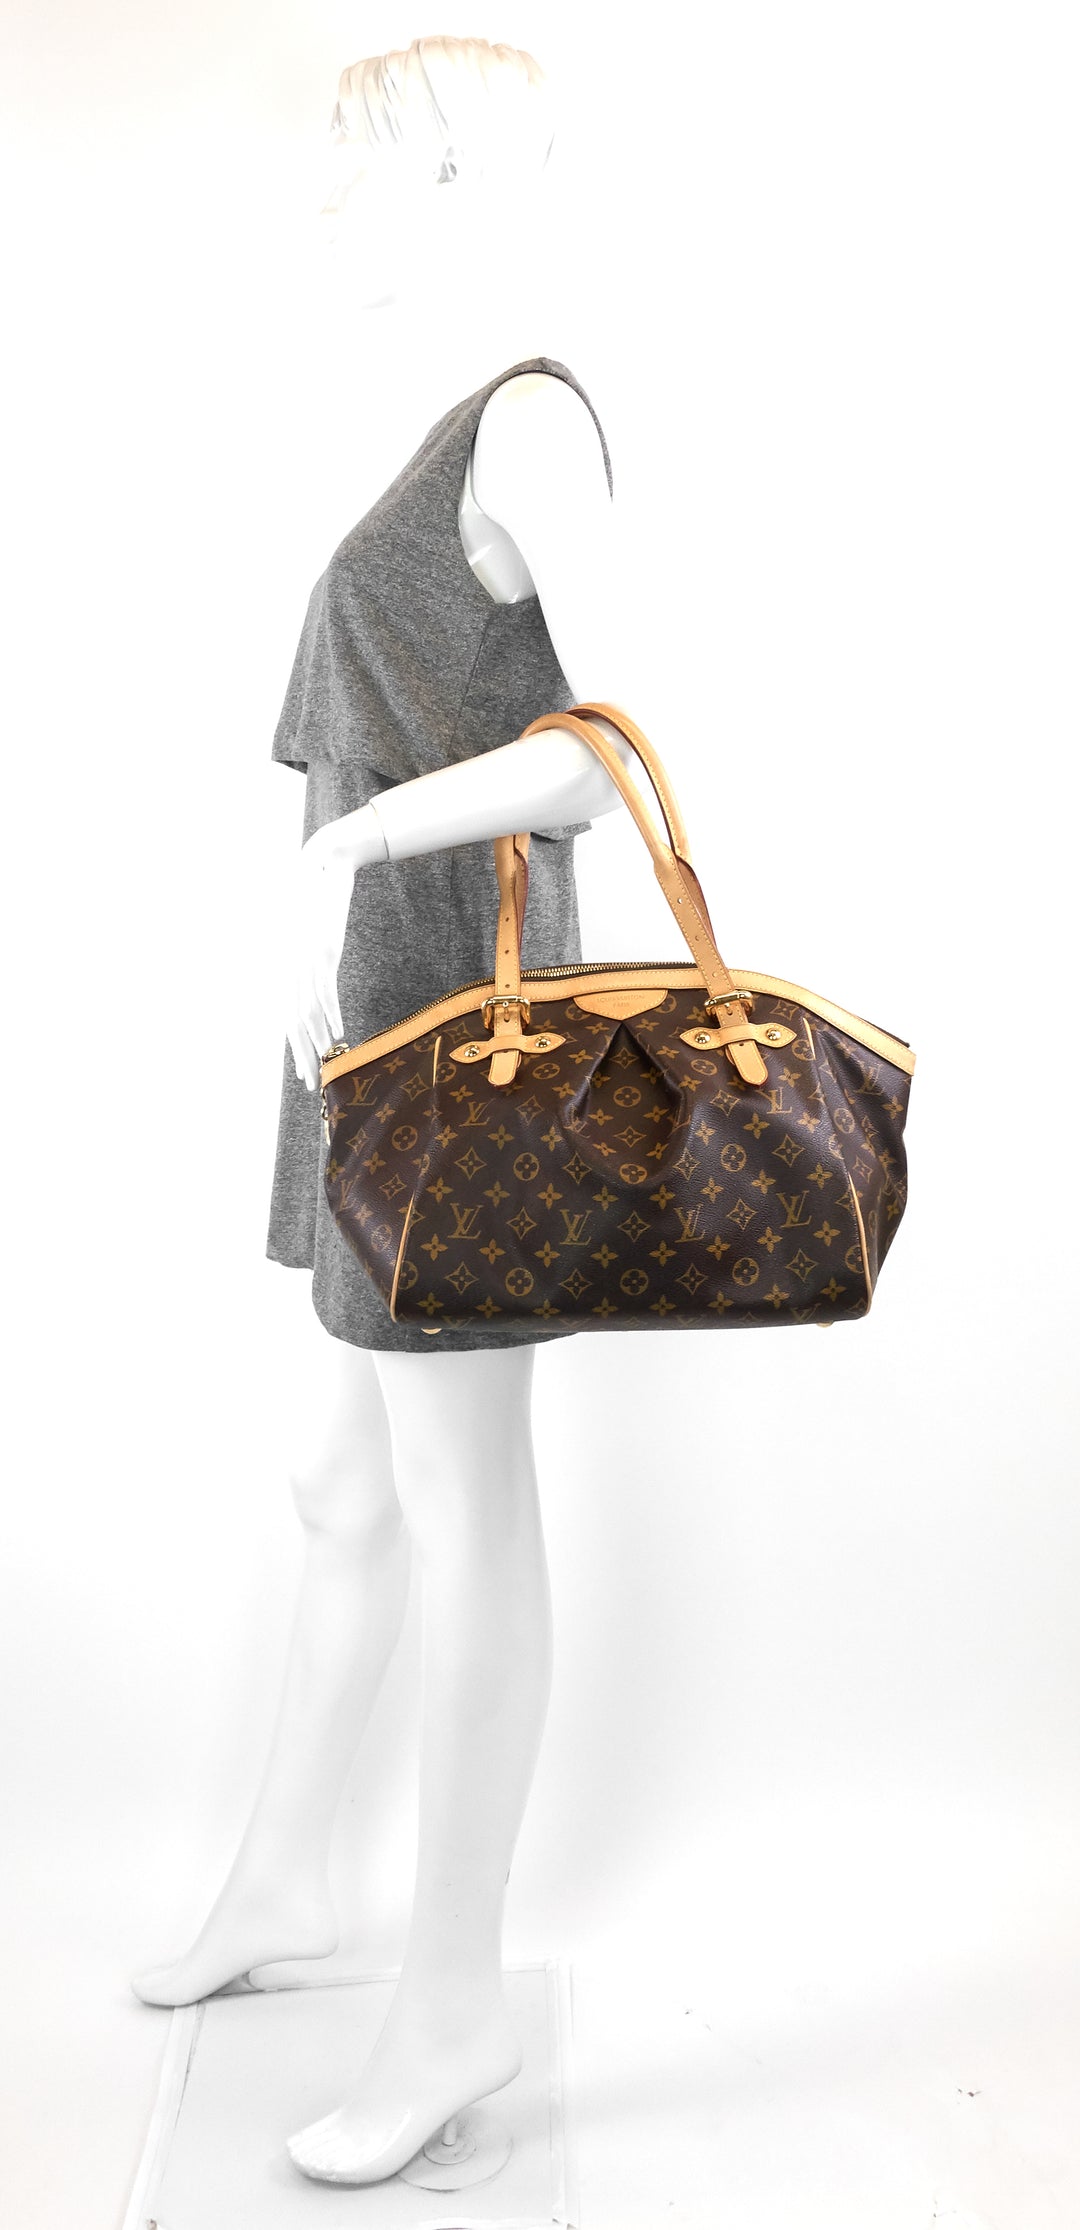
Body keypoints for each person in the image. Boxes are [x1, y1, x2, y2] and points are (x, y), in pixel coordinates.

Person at [132, 35, 668, 2186]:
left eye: (358, 168)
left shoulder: (532, 423)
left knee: (462, 1505)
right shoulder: (448, 424)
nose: (327, 205)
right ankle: (288, 1875)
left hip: (461, 1028)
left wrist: (351, 847)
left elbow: (614, 749)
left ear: (458, 181)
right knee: (333, 1475)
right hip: (364, 1025)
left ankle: (453, 2000)